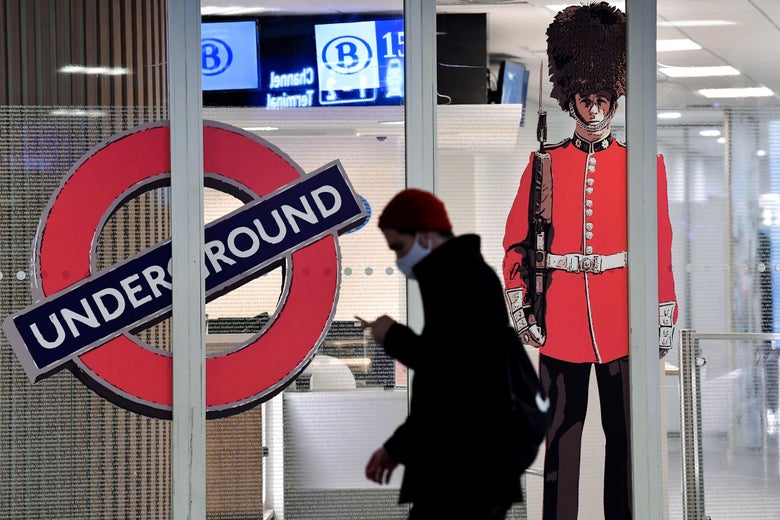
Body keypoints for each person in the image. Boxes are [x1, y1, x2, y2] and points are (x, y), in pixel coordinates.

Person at [501, 3, 678, 519]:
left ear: (614, 98)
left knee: (625, 442)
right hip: (561, 323)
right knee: (562, 444)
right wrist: (520, 304)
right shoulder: (546, 164)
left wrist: (662, 309)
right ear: (570, 99)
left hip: (623, 322)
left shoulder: (644, 164)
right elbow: (518, 242)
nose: (594, 108)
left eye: (602, 98)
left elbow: (658, 245)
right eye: (585, 98)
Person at [362, 188, 525, 520]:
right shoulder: (463, 276)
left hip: (464, 473)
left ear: (423, 235)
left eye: (399, 247)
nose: (398, 260)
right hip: (472, 470)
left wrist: (392, 336)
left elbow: (449, 378)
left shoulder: (461, 280)